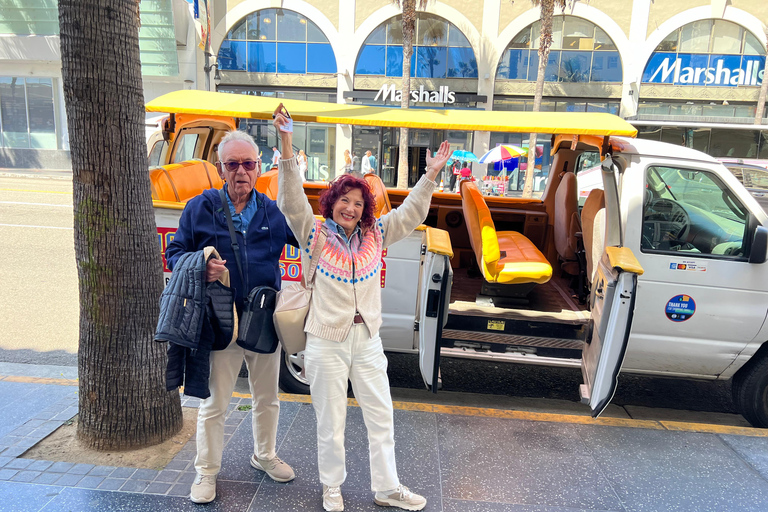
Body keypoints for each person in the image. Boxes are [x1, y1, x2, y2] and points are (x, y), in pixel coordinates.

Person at [274, 103, 450, 512]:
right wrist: (286, 143)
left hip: (367, 340)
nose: (350, 207)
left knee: (381, 417)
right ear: (332, 201)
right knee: (330, 423)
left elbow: (410, 214)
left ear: (365, 208)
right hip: (325, 340)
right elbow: (290, 200)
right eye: (344, 200)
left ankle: (387, 487)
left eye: (357, 202)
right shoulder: (313, 233)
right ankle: (331, 487)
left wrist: (430, 175)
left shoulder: (376, 234)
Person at [165, 130, 298, 504]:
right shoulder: (200, 207)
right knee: (215, 403)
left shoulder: (273, 211)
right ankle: (206, 472)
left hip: (264, 320)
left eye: (249, 163)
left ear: (259, 167)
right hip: (220, 321)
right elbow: (174, 254)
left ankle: (265, 455)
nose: (241, 171)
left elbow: (307, 236)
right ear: (221, 169)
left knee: (267, 398)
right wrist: (199, 265)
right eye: (232, 164)